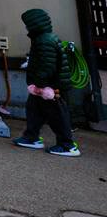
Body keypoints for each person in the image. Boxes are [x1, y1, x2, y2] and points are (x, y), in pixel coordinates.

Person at [11, 8, 79, 157]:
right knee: (34, 110)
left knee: (56, 114)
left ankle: (67, 145)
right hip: (45, 86)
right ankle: (31, 136)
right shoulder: (45, 38)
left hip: (50, 87)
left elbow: (47, 66)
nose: (26, 27)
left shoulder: (44, 41)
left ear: (34, 24)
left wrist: (38, 85)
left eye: (28, 24)